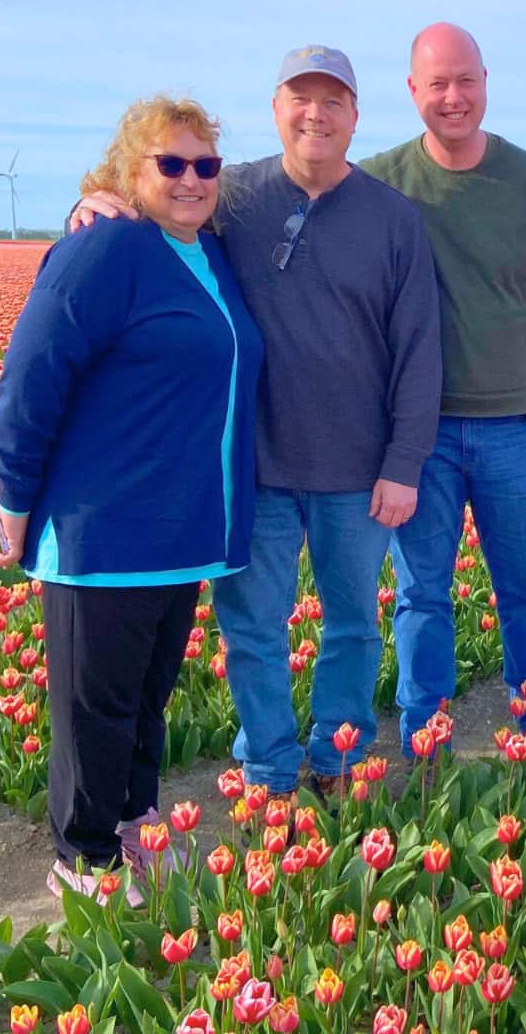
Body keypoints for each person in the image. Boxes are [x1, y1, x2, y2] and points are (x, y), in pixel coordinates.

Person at [70, 46, 442, 800]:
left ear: (355, 116)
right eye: (301, 98)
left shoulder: (393, 219)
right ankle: (269, 767)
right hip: (253, 468)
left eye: (332, 101)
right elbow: (146, 204)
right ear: (276, 109)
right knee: (252, 632)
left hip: (357, 470)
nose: (316, 114)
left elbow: (419, 349)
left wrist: (404, 463)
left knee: (352, 628)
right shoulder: (226, 193)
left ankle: (337, 758)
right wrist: (85, 205)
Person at [0, 96, 262, 897]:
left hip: (179, 534)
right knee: (93, 711)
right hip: (105, 534)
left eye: (206, 165)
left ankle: (134, 827)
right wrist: (16, 497)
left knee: (144, 703)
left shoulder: (208, 255)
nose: (191, 179)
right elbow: (30, 380)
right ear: (128, 173)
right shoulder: (103, 251)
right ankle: (84, 860)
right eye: (169, 163)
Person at [359, 22, 526, 751]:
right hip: (415, 436)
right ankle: (424, 736)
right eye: (437, 84)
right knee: (422, 595)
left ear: (486, 81)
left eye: (465, 80)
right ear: (413, 92)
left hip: (514, 429)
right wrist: (112, 195)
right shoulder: (376, 184)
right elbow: (280, 191)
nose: (453, 97)